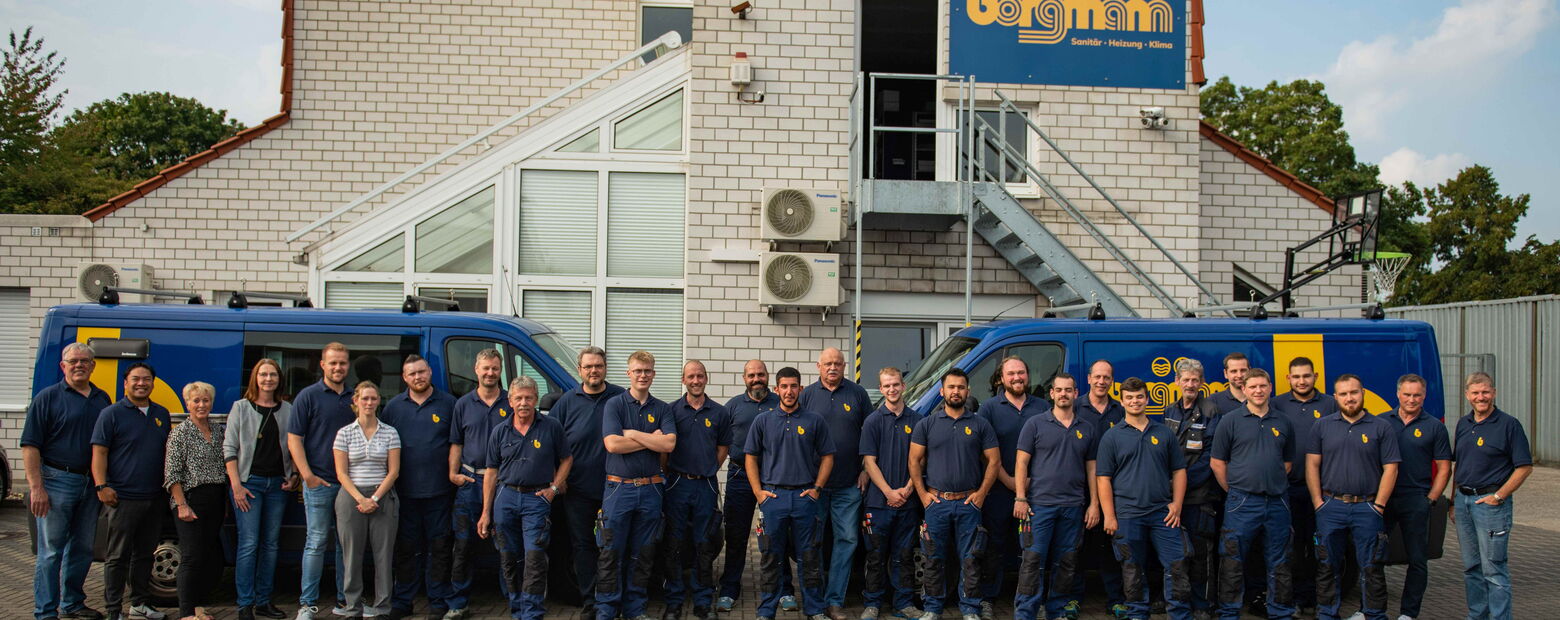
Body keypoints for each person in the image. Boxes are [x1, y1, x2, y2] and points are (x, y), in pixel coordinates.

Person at [23, 342, 111, 620]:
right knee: (51, 553)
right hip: (56, 480)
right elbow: (30, 446)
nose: (79, 365)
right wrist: (37, 487)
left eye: (84, 360)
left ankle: (73, 604)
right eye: (73, 361)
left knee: (83, 549)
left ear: (93, 365)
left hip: (89, 484)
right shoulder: (47, 397)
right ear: (63, 366)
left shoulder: (102, 398)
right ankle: (46, 612)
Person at [1304, 374, 1399, 620]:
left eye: (1353, 392)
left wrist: (1379, 505)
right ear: (1335, 397)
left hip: (1366, 507)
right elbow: (1312, 465)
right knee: (1327, 566)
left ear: (1362, 393)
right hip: (1330, 507)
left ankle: (1375, 615)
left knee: (1372, 567)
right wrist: (1317, 501)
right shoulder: (1322, 426)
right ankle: (1327, 614)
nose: (1349, 398)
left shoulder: (1381, 427)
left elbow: (1391, 468)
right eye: (1343, 394)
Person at [477, 376, 573, 620]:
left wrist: (554, 488)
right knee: (509, 558)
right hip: (505, 497)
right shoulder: (500, 431)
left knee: (534, 557)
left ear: (535, 399)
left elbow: (566, 459)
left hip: (536, 499)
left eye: (528, 397)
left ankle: (532, 612)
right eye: (518, 398)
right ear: (510, 401)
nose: (523, 403)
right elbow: (491, 472)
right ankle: (516, 607)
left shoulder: (551, 427)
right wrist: (486, 512)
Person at [744, 366, 835, 620]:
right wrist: (758, 492)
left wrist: (817, 489)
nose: (789, 391)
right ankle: (766, 611)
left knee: (809, 557)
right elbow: (750, 457)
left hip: (805, 499)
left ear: (801, 389)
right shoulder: (763, 420)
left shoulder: (814, 420)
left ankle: (815, 610)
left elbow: (828, 456)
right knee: (771, 557)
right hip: (773, 499)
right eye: (784, 386)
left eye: (793, 386)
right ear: (776, 389)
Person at [1096, 377, 1191, 620]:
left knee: (1177, 565)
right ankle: (1137, 614)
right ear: (1122, 401)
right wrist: (1109, 516)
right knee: (1132, 569)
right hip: (1127, 514)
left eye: (1139, 396)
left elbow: (1179, 470)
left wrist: (1177, 504)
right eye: (1129, 397)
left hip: (1163, 513)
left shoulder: (1164, 433)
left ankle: (1179, 615)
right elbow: (1103, 478)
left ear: (1147, 399)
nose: (1135, 401)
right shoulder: (1112, 436)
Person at [910, 368, 999, 620]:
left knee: (971, 560)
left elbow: (994, 461)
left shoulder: (980, 424)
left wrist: (982, 493)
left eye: (960, 387)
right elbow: (914, 461)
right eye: (951, 387)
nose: (956, 391)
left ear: (967, 391)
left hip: (969, 504)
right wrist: (923, 495)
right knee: (933, 558)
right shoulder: (926, 424)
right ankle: (932, 608)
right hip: (936, 503)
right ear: (942, 391)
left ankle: (970, 608)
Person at [596, 350, 677, 620]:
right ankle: (607, 610)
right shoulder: (614, 405)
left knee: (643, 554)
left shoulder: (662, 408)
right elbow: (612, 444)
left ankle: (635, 610)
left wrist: (632, 434)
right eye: (638, 371)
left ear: (654, 374)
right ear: (628, 373)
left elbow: (669, 444)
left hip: (651, 490)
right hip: (619, 489)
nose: (643, 375)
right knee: (611, 552)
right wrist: (648, 438)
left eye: (648, 371)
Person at [1209, 368, 1295, 620]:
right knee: (1232, 560)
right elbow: (1217, 462)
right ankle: (1229, 612)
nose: (1258, 391)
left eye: (1262, 386)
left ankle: (1280, 612)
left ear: (1270, 388)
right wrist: (1235, 490)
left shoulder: (1283, 422)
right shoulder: (1230, 421)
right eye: (1253, 387)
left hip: (1278, 501)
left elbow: (1287, 463)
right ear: (1244, 390)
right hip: (1242, 502)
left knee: (1279, 560)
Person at [1013, 372, 1099, 620]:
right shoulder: (1035, 424)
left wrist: (1093, 504)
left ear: (1075, 393)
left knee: (1067, 563)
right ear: (1052, 394)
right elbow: (1021, 463)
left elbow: (1092, 468)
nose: (1063, 394)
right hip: (1039, 507)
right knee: (1032, 562)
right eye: (1059, 390)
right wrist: (1020, 497)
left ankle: (1057, 610)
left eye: (1068, 390)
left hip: (1073, 507)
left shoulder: (1087, 428)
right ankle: (1026, 613)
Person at [92, 362, 173, 620]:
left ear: (152, 383)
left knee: (144, 556)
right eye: (136, 379)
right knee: (117, 556)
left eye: (146, 379)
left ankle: (139, 605)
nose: (141, 383)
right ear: (125, 383)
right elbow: (99, 452)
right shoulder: (111, 414)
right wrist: (101, 485)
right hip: (122, 498)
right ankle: (113, 610)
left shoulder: (161, 414)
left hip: (154, 496)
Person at [1449, 372, 1533, 620]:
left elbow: (1524, 467)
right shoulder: (1464, 424)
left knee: (1494, 570)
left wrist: (1499, 495)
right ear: (1467, 395)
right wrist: (1453, 502)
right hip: (1464, 504)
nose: (1480, 397)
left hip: (1490, 505)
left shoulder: (1509, 425)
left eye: (1485, 392)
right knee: (1471, 568)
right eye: (1475, 392)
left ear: (1494, 393)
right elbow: (1459, 466)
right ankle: (1477, 615)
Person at [379, 355, 458, 619]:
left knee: (439, 548)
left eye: (421, 372)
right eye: (411, 374)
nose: (417, 377)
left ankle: (437, 600)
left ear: (430, 372)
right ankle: (403, 600)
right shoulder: (393, 407)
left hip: (439, 492)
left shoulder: (449, 404)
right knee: (406, 549)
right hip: (404, 492)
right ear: (404, 378)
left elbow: (457, 445)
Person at [798, 347, 873, 620]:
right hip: (814, 486)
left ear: (845, 366)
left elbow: (871, 434)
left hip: (848, 486)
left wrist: (866, 468)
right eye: (828, 363)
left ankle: (834, 601)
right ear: (819, 366)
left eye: (838, 364)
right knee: (812, 543)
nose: (833, 368)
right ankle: (814, 600)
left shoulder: (858, 394)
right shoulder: (807, 395)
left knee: (848, 540)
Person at [550, 346, 624, 618]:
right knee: (582, 546)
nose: (594, 371)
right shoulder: (567, 403)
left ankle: (611, 601)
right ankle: (590, 603)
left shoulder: (620, 398)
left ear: (605, 368)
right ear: (580, 370)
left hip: (615, 488)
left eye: (599, 366)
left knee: (612, 546)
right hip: (577, 490)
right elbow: (549, 443)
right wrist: (558, 479)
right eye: (588, 366)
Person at [975, 356, 1051, 619]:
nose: (1017, 378)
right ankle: (988, 598)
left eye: (1021, 372)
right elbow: (985, 453)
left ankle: (1033, 600)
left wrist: (1029, 482)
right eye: (1011, 374)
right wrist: (1009, 481)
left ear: (1027, 376)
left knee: (1032, 549)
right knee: (993, 546)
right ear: (1001, 379)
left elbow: (1048, 448)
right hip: (998, 489)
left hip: (1036, 491)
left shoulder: (1042, 407)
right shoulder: (989, 408)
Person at [286, 343, 356, 620]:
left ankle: (345, 600)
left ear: (348, 365)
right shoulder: (308, 396)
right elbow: (294, 439)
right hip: (320, 482)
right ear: (323, 365)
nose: (338, 367)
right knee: (315, 542)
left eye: (342, 363)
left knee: (345, 545)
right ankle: (307, 604)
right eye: (333, 363)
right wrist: (307, 476)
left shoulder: (355, 397)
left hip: (349, 485)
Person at [661, 360, 733, 620]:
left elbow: (724, 446)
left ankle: (703, 601)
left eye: (700, 376)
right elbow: (664, 452)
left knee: (705, 543)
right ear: (684, 380)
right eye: (690, 376)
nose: (695, 380)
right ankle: (674, 601)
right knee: (674, 544)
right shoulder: (670, 411)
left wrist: (710, 467)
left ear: (706, 379)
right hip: (677, 484)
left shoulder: (720, 412)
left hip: (706, 484)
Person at [226, 358, 297, 620]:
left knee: (271, 545)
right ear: (255, 378)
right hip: (249, 485)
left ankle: (263, 602)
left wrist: (295, 474)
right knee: (248, 544)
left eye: (273, 375)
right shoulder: (241, 407)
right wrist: (236, 486)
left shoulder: (288, 409)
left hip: (278, 485)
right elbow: (229, 449)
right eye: (263, 374)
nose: (268, 379)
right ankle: (245, 604)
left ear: (279, 379)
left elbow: (294, 445)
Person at [718, 359, 786, 612]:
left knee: (778, 535)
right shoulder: (733, 407)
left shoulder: (779, 403)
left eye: (760, 374)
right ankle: (729, 588)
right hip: (739, 478)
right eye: (751, 375)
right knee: (736, 536)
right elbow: (721, 441)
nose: (756, 379)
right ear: (744, 378)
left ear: (767, 376)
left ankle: (783, 588)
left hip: (773, 477)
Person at [1271, 357, 1337, 615]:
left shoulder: (1331, 404)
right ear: (1288, 378)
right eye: (1296, 376)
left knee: (1323, 548)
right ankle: (1298, 598)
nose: (1301, 381)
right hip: (1289, 489)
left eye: (1306, 376)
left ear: (1315, 376)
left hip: (1323, 490)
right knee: (1294, 548)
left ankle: (1323, 601)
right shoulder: (1277, 403)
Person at [859, 367, 925, 620]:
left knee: (904, 556)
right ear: (881, 388)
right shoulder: (873, 421)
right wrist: (888, 492)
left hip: (907, 503)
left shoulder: (917, 421)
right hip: (878, 504)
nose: (892, 389)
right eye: (886, 386)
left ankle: (904, 604)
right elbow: (869, 462)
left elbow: (920, 461)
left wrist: (907, 490)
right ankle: (872, 604)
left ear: (903, 386)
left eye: (895, 384)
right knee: (875, 557)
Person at [448, 349, 510, 618]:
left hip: (504, 484)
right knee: (463, 546)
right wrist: (453, 474)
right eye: (485, 368)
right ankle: (458, 603)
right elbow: (456, 443)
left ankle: (514, 604)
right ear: (476, 369)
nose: (490, 373)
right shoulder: (463, 404)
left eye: (495, 368)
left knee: (507, 547)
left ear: (501, 370)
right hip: (470, 481)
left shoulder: (512, 401)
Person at [332, 381, 402, 618]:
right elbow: (341, 472)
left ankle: (382, 607)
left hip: (382, 496)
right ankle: (353, 608)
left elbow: (393, 471)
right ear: (356, 402)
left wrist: (374, 497)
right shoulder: (344, 433)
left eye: (373, 398)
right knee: (352, 556)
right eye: (365, 398)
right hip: (351, 497)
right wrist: (360, 498)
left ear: (379, 400)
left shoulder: (390, 432)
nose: (369, 403)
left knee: (384, 557)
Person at [1383, 374, 1450, 620]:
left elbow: (1444, 468)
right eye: (1407, 394)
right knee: (1374, 556)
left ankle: (1408, 614)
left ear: (1424, 396)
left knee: (1417, 560)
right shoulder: (1382, 422)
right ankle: (1369, 608)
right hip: (1384, 499)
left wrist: (1430, 499)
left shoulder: (1434, 426)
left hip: (1416, 499)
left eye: (1417, 395)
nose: (1412, 399)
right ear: (1398, 394)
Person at [1161, 358, 1224, 620]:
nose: (1190, 384)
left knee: (1200, 556)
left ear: (1202, 383)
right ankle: (1178, 602)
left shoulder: (1211, 411)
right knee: (1175, 555)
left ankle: (1202, 605)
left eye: (1195, 380)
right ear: (1176, 382)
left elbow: (1211, 457)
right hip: (1171, 498)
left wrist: (1181, 484)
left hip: (1199, 497)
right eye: (1185, 379)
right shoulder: (1169, 410)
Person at [165, 382, 229, 620]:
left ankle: (198, 607)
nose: (201, 405)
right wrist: (182, 505)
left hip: (215, 499)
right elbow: (172, 473)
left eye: (206, 400)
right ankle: (185, 613)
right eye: (196, 401)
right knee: (191, 557)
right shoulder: (180, 433)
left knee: (206, 556)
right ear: (187, 403)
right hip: (191, 499)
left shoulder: (217, 430)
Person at [1074, 359, 1126, 618]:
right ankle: (1073, 598)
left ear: (1112, 381)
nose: (1101, 381)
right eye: (1097, 376)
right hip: (1078, 491)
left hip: (1113, 492)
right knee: (1077, 547)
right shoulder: (1075, 407)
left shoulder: (1120, 410)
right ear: (1089, 378)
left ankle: (1115, 599)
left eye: (1106, 377)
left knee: (1110, 548)